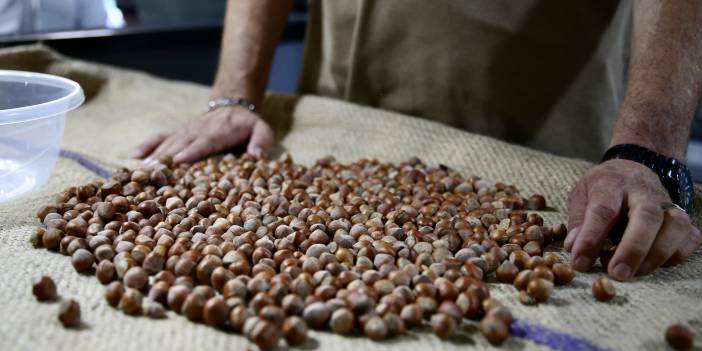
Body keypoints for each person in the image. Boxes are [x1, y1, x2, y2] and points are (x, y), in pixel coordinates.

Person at [133, 0, 702, 282]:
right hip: (338, 103)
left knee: (546, 236)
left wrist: (644, 147)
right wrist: (234, 93)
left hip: (530, 111)